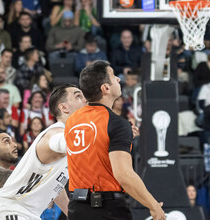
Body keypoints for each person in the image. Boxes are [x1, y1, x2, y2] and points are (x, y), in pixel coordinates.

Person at [64, 61, 165, 220]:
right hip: (107, 209)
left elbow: (94, 148)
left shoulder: (72, 120)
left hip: (77, 207)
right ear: (105, 88)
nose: (118, 79)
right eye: (113, 76)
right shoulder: (116, 123)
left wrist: (120, 136)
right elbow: (124, 175)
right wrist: (153, 205)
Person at [0, 84, 87, 219]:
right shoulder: (55, 134)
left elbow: (55, 185)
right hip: (10, 211)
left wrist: (72, 215)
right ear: (64, 108)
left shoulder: (65, 135)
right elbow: (61, 142)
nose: (85, 99)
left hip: (27, 213)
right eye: (78, 96)